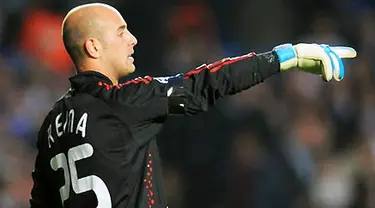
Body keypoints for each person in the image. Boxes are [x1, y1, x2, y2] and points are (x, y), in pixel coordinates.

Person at [29, 3, 357, 208]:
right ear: (93, 46)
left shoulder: (51, 125)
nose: (133, 39)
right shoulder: (123, 101)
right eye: (121, 32)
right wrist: (283, 57)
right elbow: (205, 83)